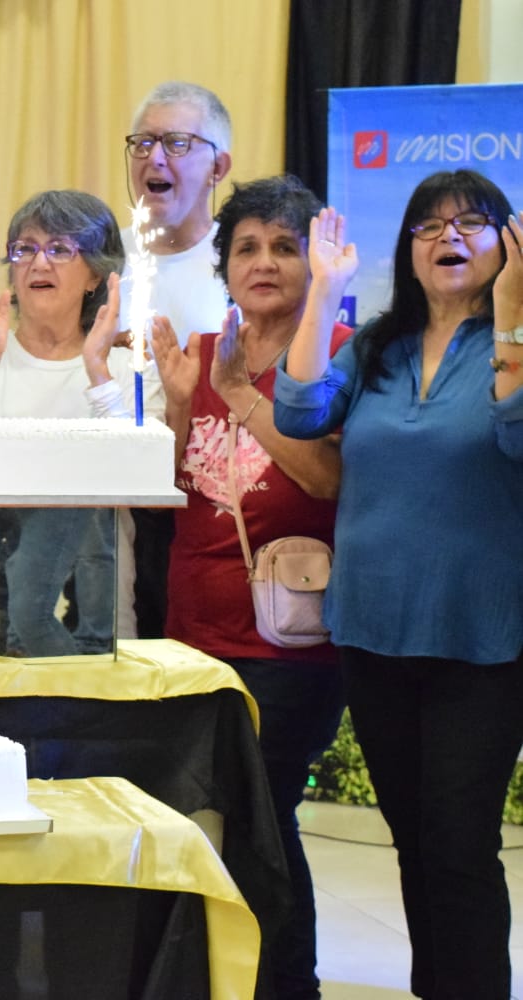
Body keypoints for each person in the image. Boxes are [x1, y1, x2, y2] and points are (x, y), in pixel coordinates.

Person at [277, 172, 523, 999]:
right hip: (374, 629)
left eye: (472, 223)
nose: (447, 236)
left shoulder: (516, 339)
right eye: (428, 225)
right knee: (414, 841)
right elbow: (301, 411)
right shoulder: (375, 346)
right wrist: (324, 293)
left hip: (483, 637)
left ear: (508, 243)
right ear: (407, 249)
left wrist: (516, 318)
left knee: (459, 844)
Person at [152, 174, 347, 1000]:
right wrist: (173, 406)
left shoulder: (334, 350)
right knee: (211, 820)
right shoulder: (198, 353)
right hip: (193, 629)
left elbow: (327, 478)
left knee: (266, 820)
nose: (263, 262)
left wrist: (241, 400)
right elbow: (171, 487)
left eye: (284, 246)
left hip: (291, 640)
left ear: (315, 261)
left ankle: (283, 984)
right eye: (246, 248)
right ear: (224, 267)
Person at [0, 190, 160, 652]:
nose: (39, 263)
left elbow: (143, 478)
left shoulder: (128, 371)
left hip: (92, 606)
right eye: (25, 249)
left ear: (96, 272)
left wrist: (97, 372)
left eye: (59, 249)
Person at [120, 80, 235, 641]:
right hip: (108, 498)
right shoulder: (99, 255)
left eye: (177, 143)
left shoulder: (240, 267)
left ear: (220, 166)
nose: (154, 158)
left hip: (206, 508)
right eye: (142, 144)